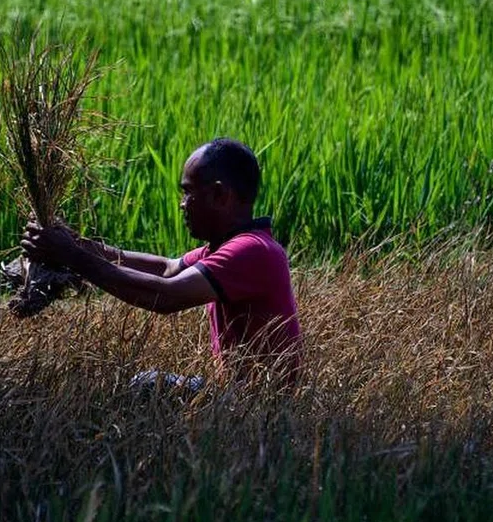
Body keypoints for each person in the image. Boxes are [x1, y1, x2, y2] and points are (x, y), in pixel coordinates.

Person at [20, 138, 302, 390]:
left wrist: (72, 256)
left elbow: (165, 295)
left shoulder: (252, 250)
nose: (182, 204)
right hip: (236, 397)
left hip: (258, 406)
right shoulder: (228, 246)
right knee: (146, 385)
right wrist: (77, 244)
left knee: (144, 390)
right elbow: (166, 269)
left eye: (188, 192)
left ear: (220, 196)